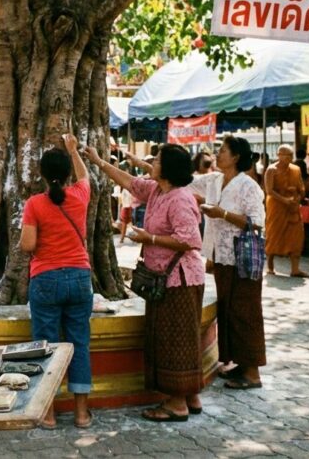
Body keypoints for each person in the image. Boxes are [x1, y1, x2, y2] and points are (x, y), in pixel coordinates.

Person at [85, 142, 206, 422]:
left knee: (175, 340)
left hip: (180, 281)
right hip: (166, 280)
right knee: (180, 338)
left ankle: (177, 404)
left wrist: (148, 239)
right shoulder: (156, 190)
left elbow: (189, 240)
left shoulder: (179, 198)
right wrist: (99, 161)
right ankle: (190, 395)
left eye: (158, 161)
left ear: (168, 169)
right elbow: (129, 182)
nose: (153, 164)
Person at [19, 134, 94, 429]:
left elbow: (27, 245)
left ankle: (48, 412)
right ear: (65, 175)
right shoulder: (80, 196)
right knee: (79, 344)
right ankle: (81, 413)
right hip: (79, 277)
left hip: (45, 278)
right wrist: (74, 151)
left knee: (46, 345)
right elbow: (85, 176)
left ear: (42, 174)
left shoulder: (35, 204)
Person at [193, 136, 267, 390]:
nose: (218, 154)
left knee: (246, 312)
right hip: (221, 256)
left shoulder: (248, 186)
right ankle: (239, 363)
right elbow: (185, 180)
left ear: (236, 157)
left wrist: (222, 213)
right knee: (229, 310)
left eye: (223, 151)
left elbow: (256, 222)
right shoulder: (214, 180)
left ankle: (253, 372)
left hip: (242, 257)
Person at [264, 145, 308, 277]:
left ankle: (295, 269)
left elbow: (302, 188)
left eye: (291, 155)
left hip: (292, 207)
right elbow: (269, 190)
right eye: (286, 155)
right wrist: (284, 200)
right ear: (279, 155)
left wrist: (298, 197)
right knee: (273, 234)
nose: (289, 157)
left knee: (296, 235)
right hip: (277, 207)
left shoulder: (296, 169)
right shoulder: (271, 170)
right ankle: (270, 266)